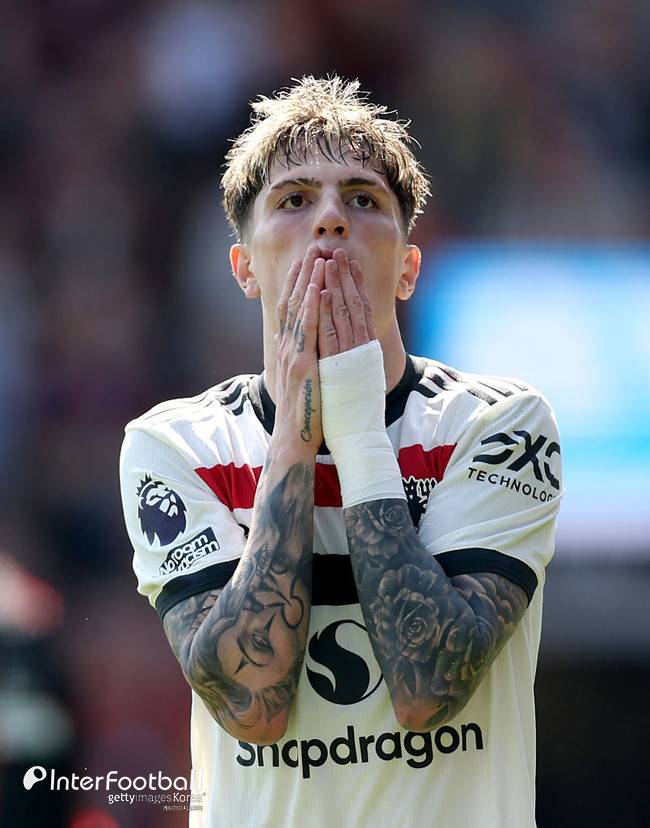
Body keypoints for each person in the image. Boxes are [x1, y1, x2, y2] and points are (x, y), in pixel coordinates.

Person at [119, 76, 563, 827]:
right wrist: (297, 435)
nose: (329, 218)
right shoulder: (175, 445)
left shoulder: (500, 425)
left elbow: (427, 687)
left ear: (409, 268)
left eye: (362, 199)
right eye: (294, 200)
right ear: (244, 269)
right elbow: (252, 705)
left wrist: (354, 425)